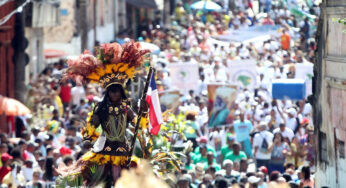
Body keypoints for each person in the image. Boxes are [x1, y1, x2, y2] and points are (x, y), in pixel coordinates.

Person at [57, 41, 150, 186]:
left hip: (123, 149)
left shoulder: (126, 108)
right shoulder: (100, 108)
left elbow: (139, 124)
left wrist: (144, 112)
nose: (115, 94)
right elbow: (91, 126)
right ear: (108, 93)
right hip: (103, 149)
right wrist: (88, 138)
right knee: (94, 181)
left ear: (121, 93)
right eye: (112, 92)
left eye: (117, 91)